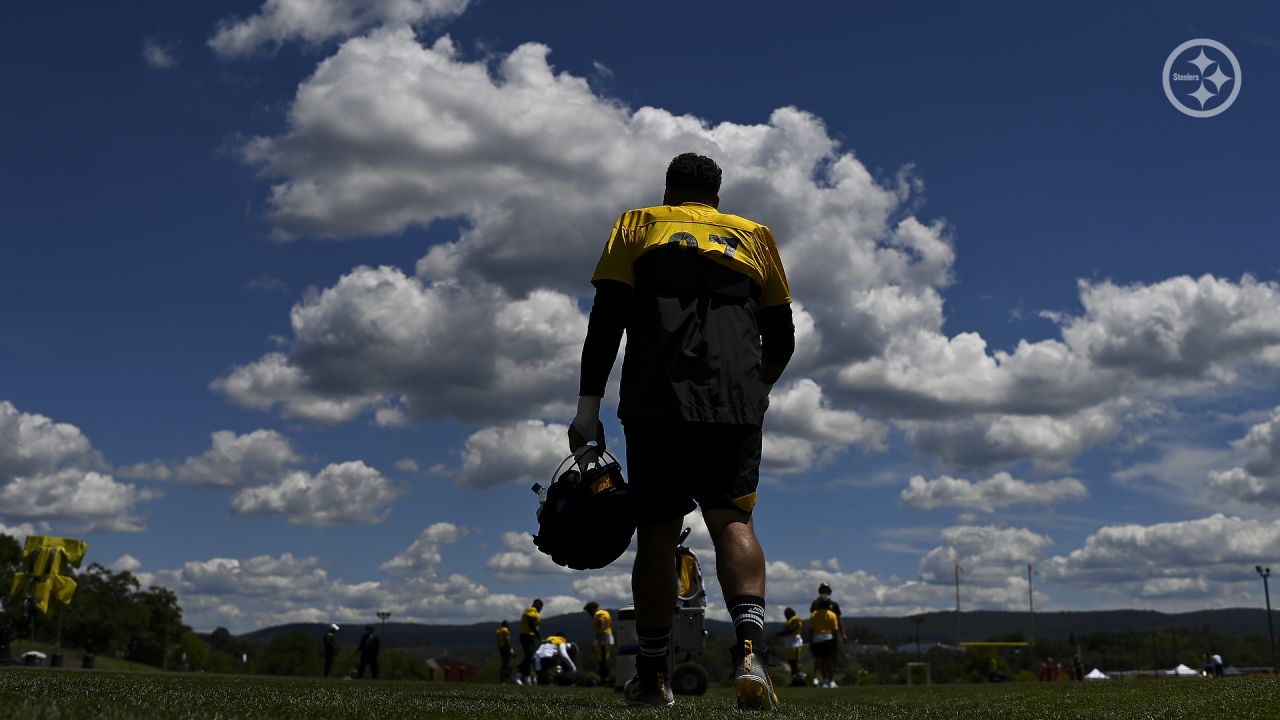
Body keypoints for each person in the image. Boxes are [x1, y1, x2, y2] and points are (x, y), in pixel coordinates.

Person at [570, 153, 794, 710]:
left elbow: (606, 322)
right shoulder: (755, 237)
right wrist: (758, 390)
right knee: (734, 522)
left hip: (655, 397)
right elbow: (783, 338)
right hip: (734, 399)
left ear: (669, 191)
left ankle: (652, 678)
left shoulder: (637, 225)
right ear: (717, 196)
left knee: (658, 535)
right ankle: (750, 654)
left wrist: (587, 406)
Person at [808, 598, 840, 688]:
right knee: (829, 661)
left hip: (817, 639)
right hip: (828, 639)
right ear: (829, 606)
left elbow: (811, 629)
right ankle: (830, 680)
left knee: (818, 661)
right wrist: (836, 642)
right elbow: (835, 630)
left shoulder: (814, 615)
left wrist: (811, 641)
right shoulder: (833, 615)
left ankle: (816, 679)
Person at [584, 602, 614, 683]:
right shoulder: (605, 612)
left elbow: (601, 622)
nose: (589, 614)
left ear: (592, 609)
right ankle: (605, 678)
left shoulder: (598, 614)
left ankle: (604, 679)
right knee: (604, 660)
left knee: (602, 661)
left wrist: (598, 637)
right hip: (608, 638)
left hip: (603, 639)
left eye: (589, 611)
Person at [775, 608, 805, 686]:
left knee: (795, 662)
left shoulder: (795, 619)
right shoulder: (790, 621)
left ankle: (799, 679)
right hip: (790, 644)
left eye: (786, 614)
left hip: (795, 643)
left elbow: (793, 629)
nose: (786, 616)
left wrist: (783, 633)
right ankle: (794, 679)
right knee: (791, 663)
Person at [516, 598, 543, 685]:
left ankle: (527, 677)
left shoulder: (527, 610)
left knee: (529, 656)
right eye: (540, 607)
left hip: (524, 635)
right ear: (538, 605)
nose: (540, 610)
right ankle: (519, 674)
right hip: (529, 636)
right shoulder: (533, 611)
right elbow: (531, 623)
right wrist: (538, 635)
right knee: (530, 656)